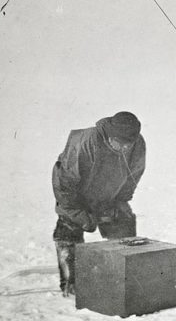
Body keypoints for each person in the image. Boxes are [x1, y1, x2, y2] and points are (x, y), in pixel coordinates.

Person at [52, 111, 146, 296]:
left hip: (108, 195)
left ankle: (120, 279)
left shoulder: (137, 144)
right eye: (119, 143)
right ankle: (72, 287)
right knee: (69, 232)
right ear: (110, 134)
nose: (123, 148)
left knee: (123, 224)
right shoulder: (86, 142)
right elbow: (65, 183)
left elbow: (133, 176)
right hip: (75, 196)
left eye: (128, 145)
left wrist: (120, 202)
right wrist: (77, 213)